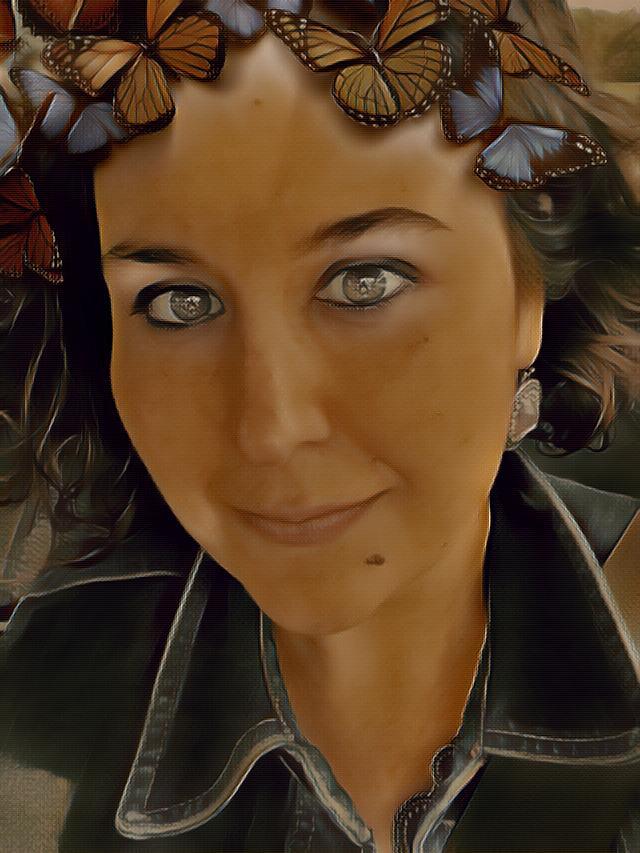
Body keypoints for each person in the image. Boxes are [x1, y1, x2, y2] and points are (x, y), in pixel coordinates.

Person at [0, 1, 639, 851]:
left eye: (365, 283)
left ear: (531, 295)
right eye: (179, 302)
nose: (270, 428)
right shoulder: (30, 717)